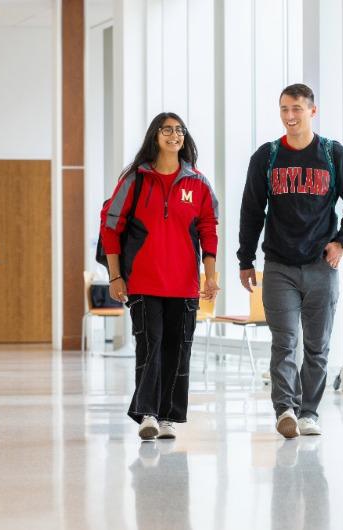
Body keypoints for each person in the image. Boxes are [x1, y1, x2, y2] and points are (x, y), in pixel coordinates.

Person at [238, 84, 343, 439]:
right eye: (283, 109)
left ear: (313, 111)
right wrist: (245, 259)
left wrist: (342, 242)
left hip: (321, 266)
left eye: (296, 109)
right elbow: (251, 211)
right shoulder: (266, 157)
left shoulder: (333, 154)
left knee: (317, 346)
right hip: (278, 264)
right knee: (285, 341)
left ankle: (309, 412)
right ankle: (285, 410)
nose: (290, 116)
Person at [101, 112, 220, 440]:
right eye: (167, 130)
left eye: (179, 130)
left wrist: (210, 277)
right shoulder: (135, 179)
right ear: (155, 136)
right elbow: (111, 227)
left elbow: (208, 230)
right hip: (143, 282)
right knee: (150, 345)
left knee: (177, 349)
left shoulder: (197, 183)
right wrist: (115, 277)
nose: (174, 135)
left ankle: (167, 416)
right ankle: (148, 414)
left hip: (183, 285)